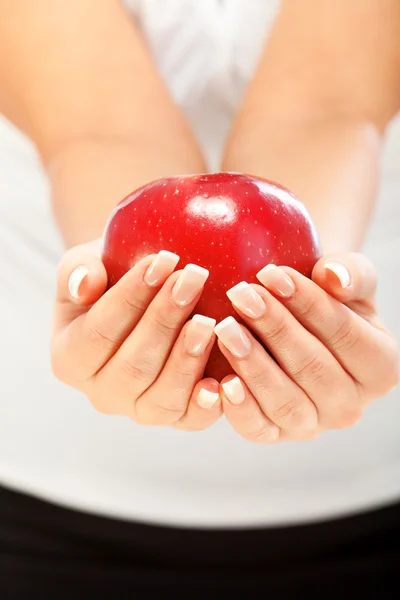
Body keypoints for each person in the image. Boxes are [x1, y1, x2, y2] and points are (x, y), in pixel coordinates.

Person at [1, 0, 399, 596]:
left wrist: (320, 285)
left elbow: (327, 108)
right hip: (47, 501)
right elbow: (98, 124)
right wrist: (114, 280)